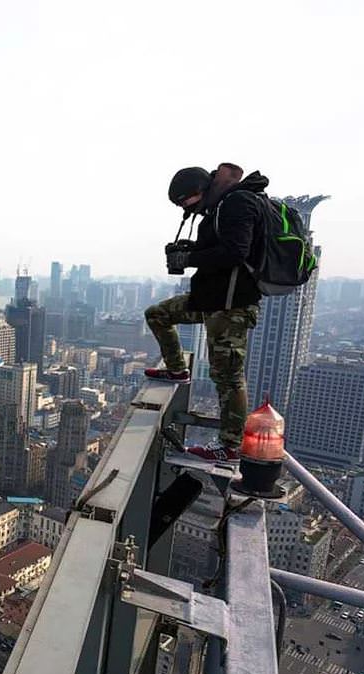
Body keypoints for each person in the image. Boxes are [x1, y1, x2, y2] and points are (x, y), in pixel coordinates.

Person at [144, 162, 266, 462]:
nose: (185, 208)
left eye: (184, 201)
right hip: (211, 299)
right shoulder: (219, 208)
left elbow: (236, 252)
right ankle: (177, 370)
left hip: (231, 306)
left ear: (199, 190)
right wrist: (190, 249)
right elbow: (222, 249)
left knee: (227, 376)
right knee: (157, 314)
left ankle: (229, 446)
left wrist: (189, 258)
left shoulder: (236, 202)